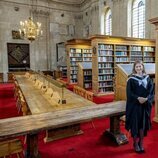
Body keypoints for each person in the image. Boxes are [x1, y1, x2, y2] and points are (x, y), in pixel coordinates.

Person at [125, 60, 154, 153]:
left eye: (140, 66)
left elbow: (151, 91)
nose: (139, 68)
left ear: (143, 67)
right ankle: (135, 143)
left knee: (142, 125)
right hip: (135, 106)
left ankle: (141, 142)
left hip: (144, 105)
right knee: (135, 125)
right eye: (137, 67)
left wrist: (147, 99)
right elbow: (129, 93)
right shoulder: (131, 79)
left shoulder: (148, 78)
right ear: (134, 68)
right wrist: (138, 98)